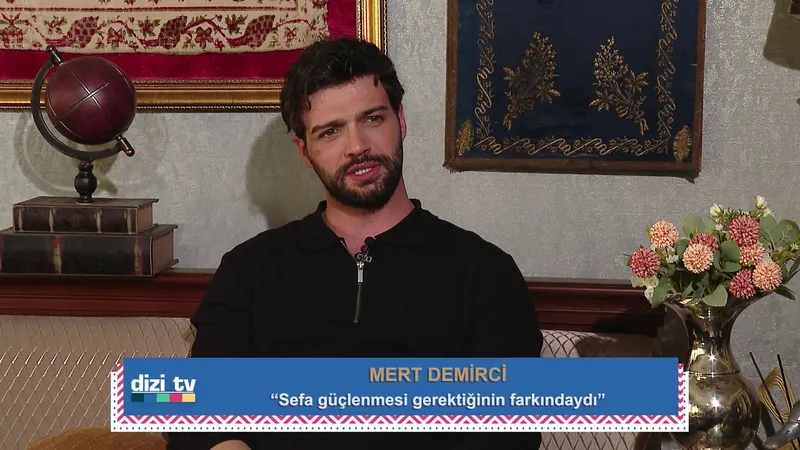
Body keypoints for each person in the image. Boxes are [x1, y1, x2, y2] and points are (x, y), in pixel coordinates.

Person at [165, 36, 543, 450]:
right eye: (330, 132)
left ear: (400, 121)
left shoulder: (485, 273)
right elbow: (196, 415)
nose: (357, 146)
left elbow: (507, 433)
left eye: (373, 119)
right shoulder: (250, 270)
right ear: (305, 151)